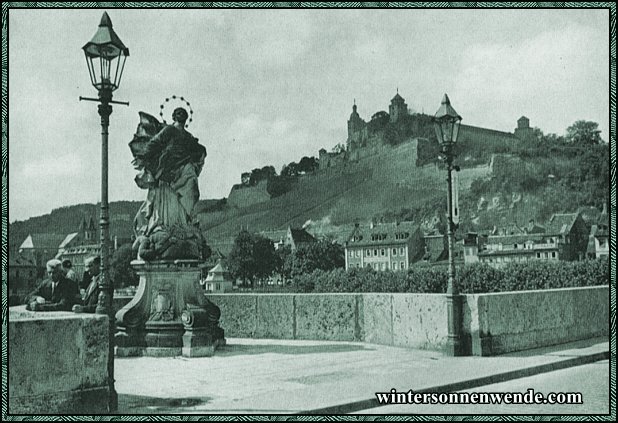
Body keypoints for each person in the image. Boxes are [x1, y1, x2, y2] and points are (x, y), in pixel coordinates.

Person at [130, 107, 207, 237]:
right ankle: (171, 225)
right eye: (180, 116)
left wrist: (144, 156)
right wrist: (147, 156)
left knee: (189, 190)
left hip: (177, 169)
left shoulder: (184, 134)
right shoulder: (173, 131)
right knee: (185, 191)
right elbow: (155, 142)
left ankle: (179, 224)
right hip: (170, 169)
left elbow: (197, 150)